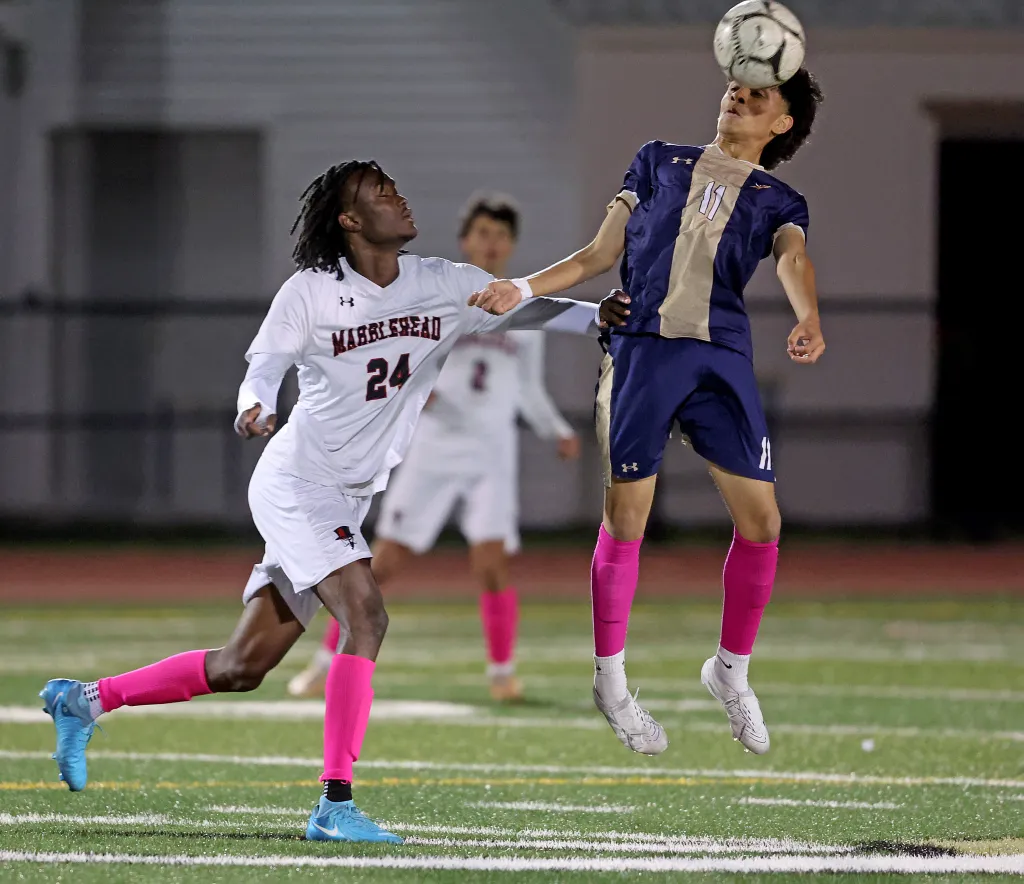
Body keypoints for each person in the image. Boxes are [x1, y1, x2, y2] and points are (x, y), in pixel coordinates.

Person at [38, 160, 618, 843]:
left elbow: (531, 310)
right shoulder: (312, 291)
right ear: (350, 220)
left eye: (395, 187)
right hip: (297, 482)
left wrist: (603, 319)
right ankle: (334, 805)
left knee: (241, 666)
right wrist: (254, 404)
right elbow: (264, 366)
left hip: (346, 497)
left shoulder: (441, 282)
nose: (400, 198)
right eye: (382, 193)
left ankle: (84, 700)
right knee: (366, 615)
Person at [470, 71, 825, 757]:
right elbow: (600, 255)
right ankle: (610, 683)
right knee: (627, 518)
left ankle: (730, 672)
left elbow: (793, 258)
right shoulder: (660, 159)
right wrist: (522, 287)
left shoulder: (779, 199)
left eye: (758, 96)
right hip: (643, 349)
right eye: (736, 86)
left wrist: (808, 314)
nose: (738, 97)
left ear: (782, 123)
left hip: (721, 356)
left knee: (763, 523)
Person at [287, 193, 580, 703]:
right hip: (434, 448)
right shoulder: (438, 296)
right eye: (483, 233)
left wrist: (556, 429)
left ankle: (503, 674)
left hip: (491, 455)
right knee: (383, 563)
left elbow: (528, 388)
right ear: (466, 241)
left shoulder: (522, 307)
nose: (492, 244)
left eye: (501, 236)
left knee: (492, 565)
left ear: (512, 245)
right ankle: (326, 663)